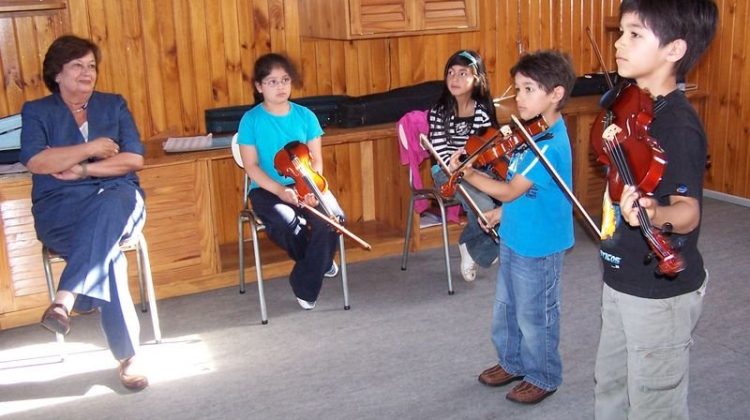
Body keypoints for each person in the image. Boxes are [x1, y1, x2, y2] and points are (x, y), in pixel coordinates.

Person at [593, 1, 718, 419]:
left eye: (634, 34)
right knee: (610, 385)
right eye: (620, 32)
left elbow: (686, 211)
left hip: (659, 294)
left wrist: (652, 210)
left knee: (654, 403)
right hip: (621, 276)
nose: (618, 44)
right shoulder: (634, 108)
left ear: (674, 50)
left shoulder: (676, 126)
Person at [20, 35, 149, 391]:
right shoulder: (37, 111)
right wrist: (93, 149)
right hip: (61, 211)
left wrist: (80, 169)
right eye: (77, 66)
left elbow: (133, 159)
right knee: (108, 257)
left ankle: (66, 299)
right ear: (56, 74)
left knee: (110, 205)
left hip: (119, 201)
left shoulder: (114, 105)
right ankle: (129, 358)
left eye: (91, 66)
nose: (87, 73)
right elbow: (37, 160)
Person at [451, 50, 577, 404]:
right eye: (517, 89)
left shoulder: (550, 144)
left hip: (540, 243)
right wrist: (501, 215)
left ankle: (544, 375)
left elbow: (509, 188)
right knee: (506, 307)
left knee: (536, 314)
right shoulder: (529, 134)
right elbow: (528, 192)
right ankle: (512, 361)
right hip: (516, 234)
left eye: (528, 89)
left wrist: (471, 173)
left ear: (556, 94)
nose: (518, 97)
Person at [237, 53, 342, 310]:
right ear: (259, 87)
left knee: (334, 217)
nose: (281, 86)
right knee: (286, 223)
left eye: (285, 80)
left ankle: (305, 275)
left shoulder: (306, 116)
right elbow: (251, 166)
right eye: (272, 81)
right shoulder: (250, 120)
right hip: (266, 188)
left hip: (307, 183)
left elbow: (316, 160)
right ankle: (320, 261)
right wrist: (280, 190)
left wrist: (310, 187)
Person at [428, 50, 501, 282]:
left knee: (511, 195)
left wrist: (475, 166)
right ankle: (479, 248)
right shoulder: (438, 112)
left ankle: (469, 244)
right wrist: (458, 167)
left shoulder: (482, 111)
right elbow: (439, 152)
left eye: (463, 73)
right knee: (483, 203)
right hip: (445, 173)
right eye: (451, 73)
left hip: (477, 170)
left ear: (477, 79)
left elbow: (484, 149)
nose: (455, 79)